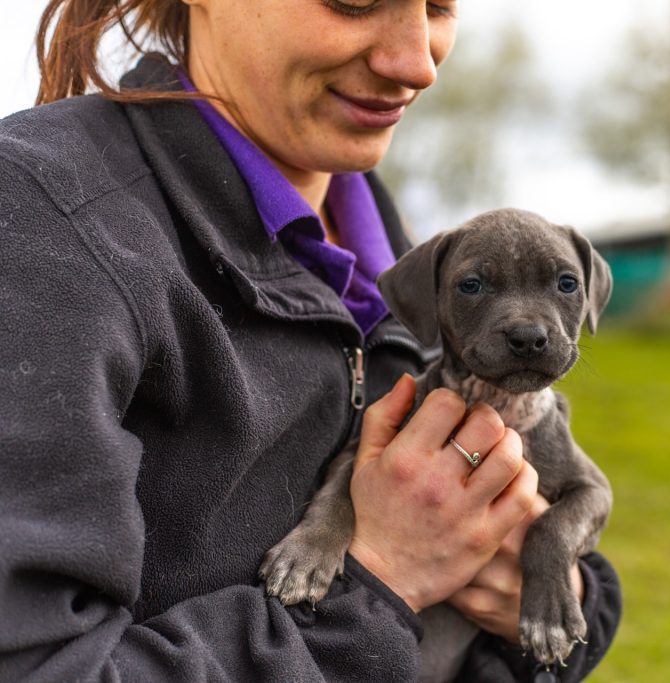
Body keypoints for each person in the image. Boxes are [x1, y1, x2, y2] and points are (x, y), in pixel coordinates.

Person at [0, 1, 621, 681]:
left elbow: (530, 597)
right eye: (354, 1)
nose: (417, 62)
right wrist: (380, 583)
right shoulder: (41, 219)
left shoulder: (396, 247)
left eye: (439, 5)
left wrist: (551, 599)